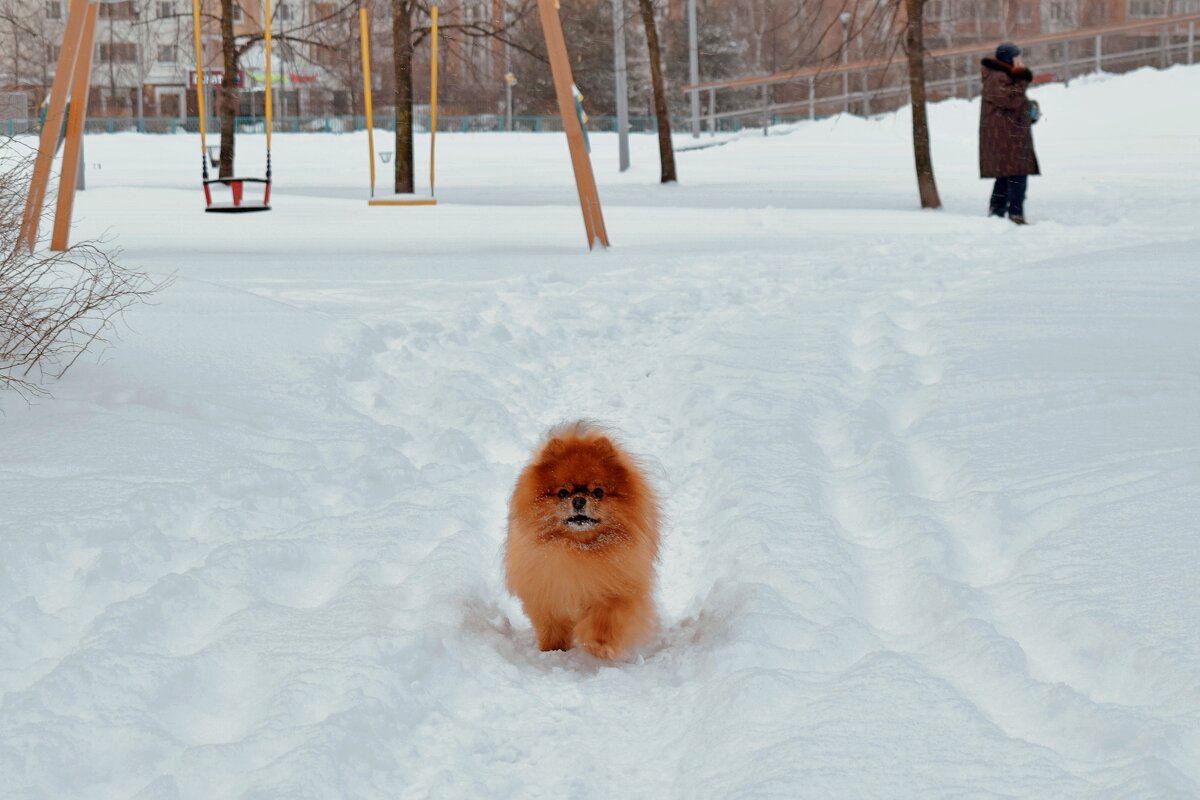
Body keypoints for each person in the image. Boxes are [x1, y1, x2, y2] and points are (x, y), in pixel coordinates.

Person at [980, 42, 1040, 225]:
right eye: (1017, 57)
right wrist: (1023, 79)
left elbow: (1017, 103)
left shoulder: (1004, 76)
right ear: (1008, 59)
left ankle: (997, 212)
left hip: (1009, 135)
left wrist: (1032, 110)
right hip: (1005, 137)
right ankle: (1015, 214)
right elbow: (1010, 101)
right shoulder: (997, 77)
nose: (1020, 61)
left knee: (1007, 175)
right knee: (1016, 174)